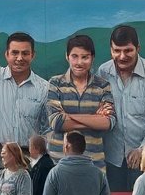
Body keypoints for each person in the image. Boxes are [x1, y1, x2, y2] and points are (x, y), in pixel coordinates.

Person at [98, 25, 145, 194]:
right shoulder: (102, 72)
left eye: (128, 50)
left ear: (138, 48)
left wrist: (142, 149)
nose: (122, 56)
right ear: (111, 50)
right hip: (110, 158)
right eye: (117, 50)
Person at [45, 35, 116, 168]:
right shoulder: (55, 83)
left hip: (94, 164)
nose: (79, 62)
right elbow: (57, 122)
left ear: (92, 58)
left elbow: (108, 122)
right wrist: (95, 119)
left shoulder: (103, 86)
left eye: (85, 57)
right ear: (67, 56)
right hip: (58, 163)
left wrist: (68, 116)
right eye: (74, 56)